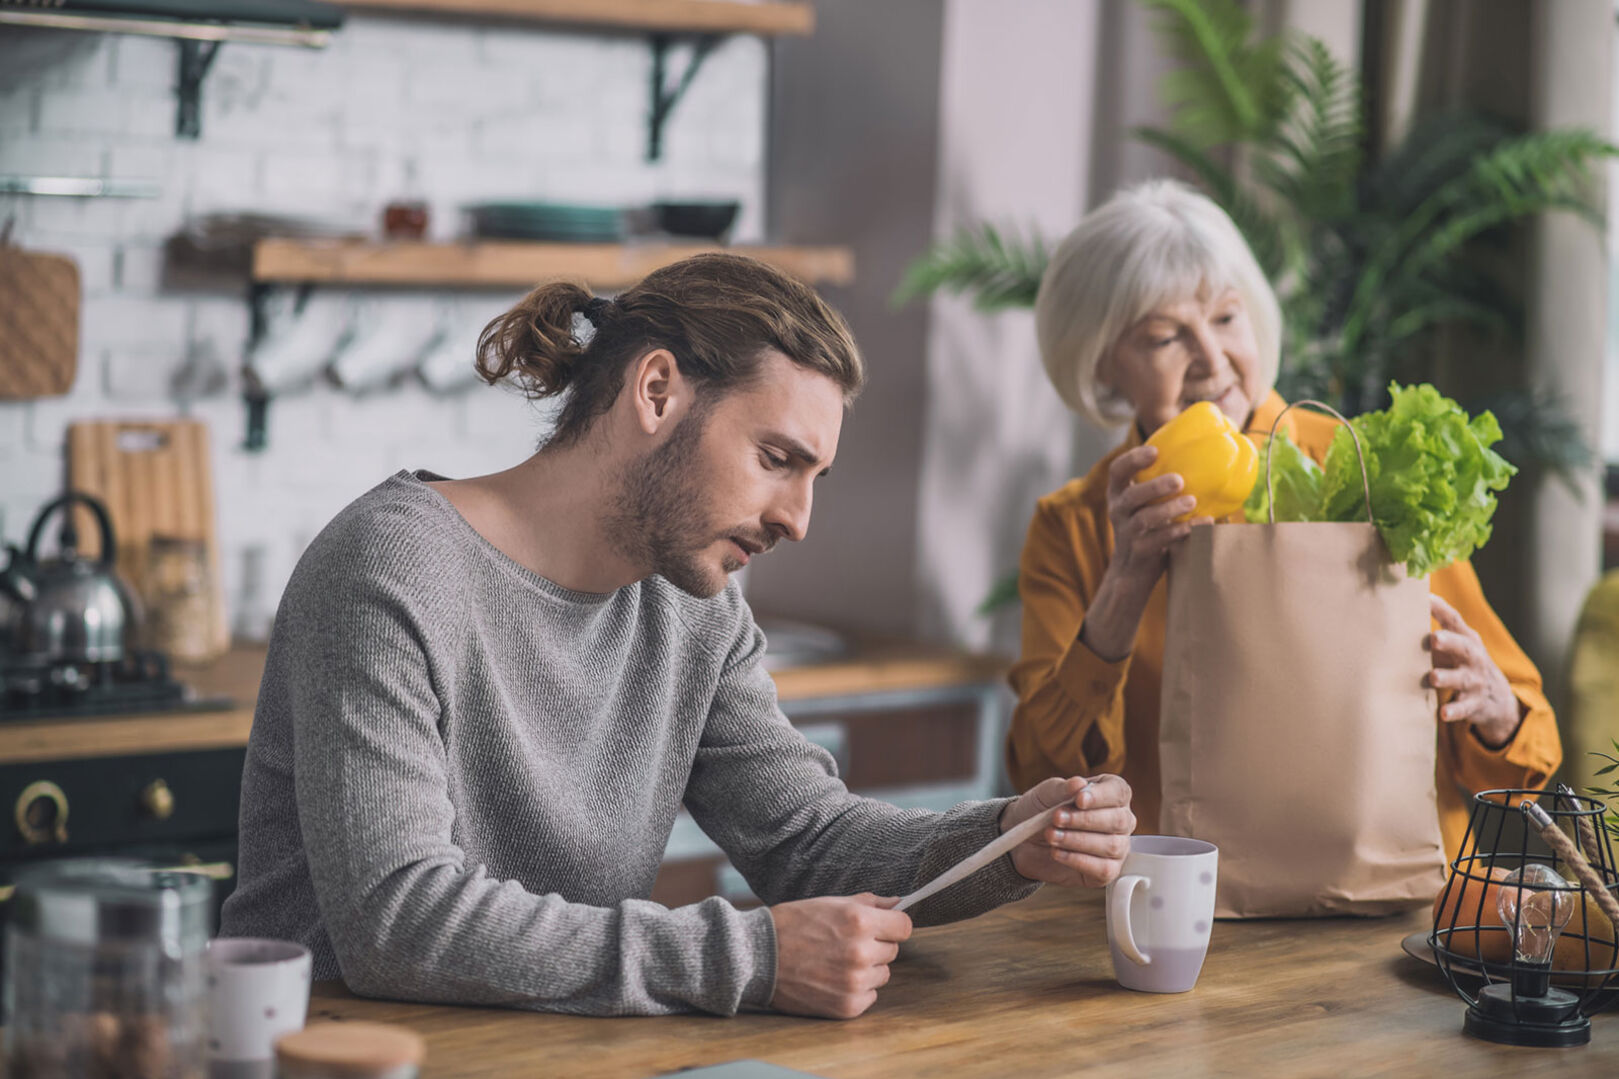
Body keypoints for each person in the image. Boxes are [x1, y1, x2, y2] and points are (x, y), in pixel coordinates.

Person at [220, 253, 1135, 1020]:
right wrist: (747, 956)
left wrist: (1006, 839)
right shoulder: (389, 569)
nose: (799, 519)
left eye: (813, 475)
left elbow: (806, 839)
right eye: (776, 459)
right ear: (655, 390)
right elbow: (397, 922)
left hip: (549, 1052)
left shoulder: (692, 609)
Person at [1006, 180, 1561, 862]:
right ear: (1101, 366)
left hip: (1389, 911)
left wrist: (1494, 712)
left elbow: (1522, 763)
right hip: (1183, 913)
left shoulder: (1366, 468)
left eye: (1226, 319)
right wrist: (1125, 582)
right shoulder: (1075, 527)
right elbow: (1040, 785)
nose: (1211, 360)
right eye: (1163, 337)